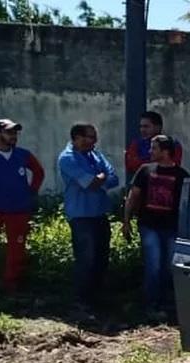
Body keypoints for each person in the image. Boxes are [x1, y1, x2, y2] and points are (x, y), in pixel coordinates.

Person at [122, 135, 190, 315]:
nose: (149, 151)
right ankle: (151, 305)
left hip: (171, 227)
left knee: (170, 266)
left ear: (165, 151)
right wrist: (126, 220)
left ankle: (167, 303)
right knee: (153, 264)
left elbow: (189, 203)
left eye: (154, 148)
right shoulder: (145, 170)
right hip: (149, 225)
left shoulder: (181, 175)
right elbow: (133, 196)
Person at [58, 122, 119, 311]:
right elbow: (90, 183)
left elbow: (114, 178)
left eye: (94, 137)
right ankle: (81, 301)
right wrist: (100, 178)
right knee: (86, 258)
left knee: (101, 257)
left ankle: (97, 297)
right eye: (89, 137)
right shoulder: (67, 158)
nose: (93, 141)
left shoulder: (96, 155)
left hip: (99, 213)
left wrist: (99, 179)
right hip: (81, 216)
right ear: (76, 138)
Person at [0, 119, 45, 292]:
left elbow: (39, 172)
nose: (13, 136)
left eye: (15, 133)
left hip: (18, 209)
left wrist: (31, 192)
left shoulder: (23, 155)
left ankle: (11, 283)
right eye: (9, 132)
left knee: (17, 247)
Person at [125, 111, 183, 176]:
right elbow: (131, 165)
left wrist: (145, 162)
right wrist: (158, 161)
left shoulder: (173, 144)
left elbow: (172, 166)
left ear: (158, 127)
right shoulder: (136, 144)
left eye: (146, 127)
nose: (142, 130)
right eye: (141, 127)